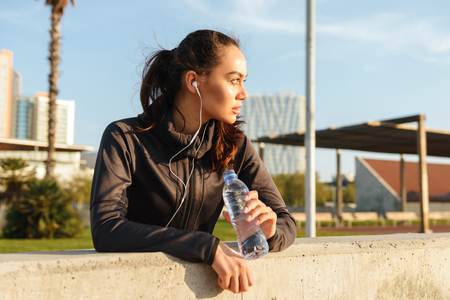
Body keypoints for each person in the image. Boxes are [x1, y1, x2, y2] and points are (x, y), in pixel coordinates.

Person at [90, 29, 297, 294]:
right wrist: (205, 246)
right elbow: (106, 229)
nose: (243, 93)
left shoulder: (236, 145)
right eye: (234, 80)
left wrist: (270, 231)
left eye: (244, 81)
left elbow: (286, 223)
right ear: (193, 82)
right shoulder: (125, 138)